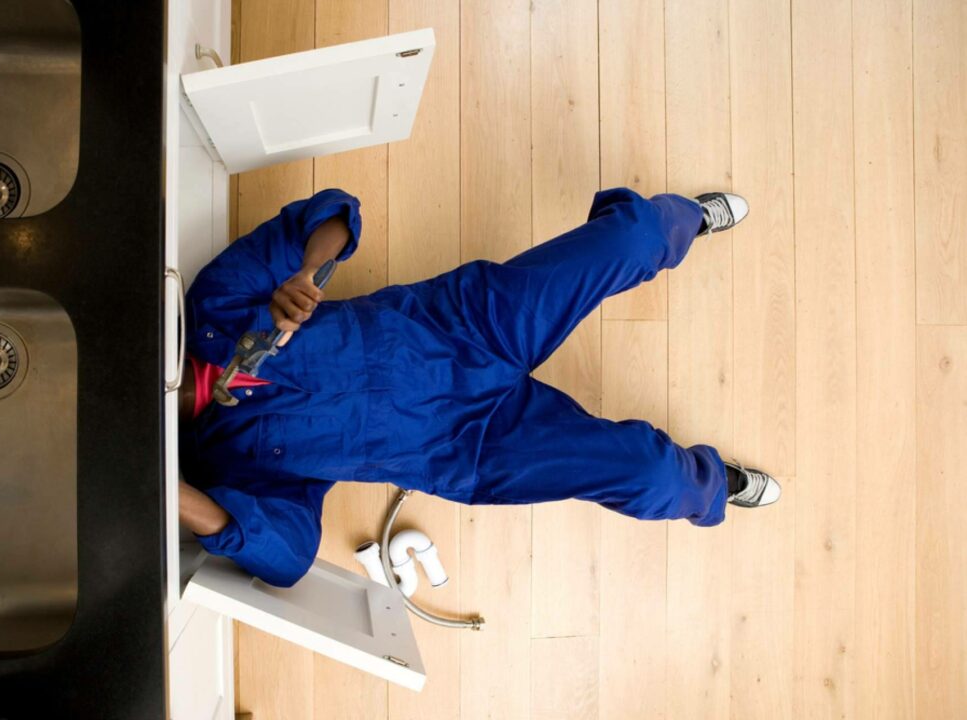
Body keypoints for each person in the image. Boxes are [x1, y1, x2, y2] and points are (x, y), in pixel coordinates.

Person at [177, 187, 781, 588]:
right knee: (652, 477)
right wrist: (168, 492)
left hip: (464, 325)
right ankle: (712, 486)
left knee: (630, 240)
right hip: (471, 447)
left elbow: (332, 214)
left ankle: (684, 219)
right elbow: (287, 556)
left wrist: (309, 272)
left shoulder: (215, 307)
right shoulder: (222, 469)